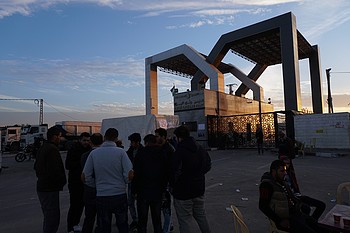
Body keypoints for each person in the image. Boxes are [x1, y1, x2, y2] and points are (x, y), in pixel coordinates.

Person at [82, 128, 133, 233]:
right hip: (119, 194)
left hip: (101, 195)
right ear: (116, 138)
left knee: (104, 226)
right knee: (123, 225)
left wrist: (95, 185)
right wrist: (124, 182)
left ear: (104, 137)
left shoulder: (94, 154)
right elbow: (129, 173)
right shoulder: (121, 153)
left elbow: (84, 176)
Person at [259, 160, 326, 233]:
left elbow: (292, 197)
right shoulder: (266, 185)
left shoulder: (282, 182)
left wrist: (298, 205)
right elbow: (262, 206)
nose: (285, 173)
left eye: (285, 171)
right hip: (286, 220)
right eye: (282, 171)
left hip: (295, 215)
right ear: (274, 171)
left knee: (321, 228)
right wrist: (279, 220)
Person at [171, 125, 211, 233]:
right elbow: (208, 165)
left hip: (183, 192)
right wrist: (198, 175)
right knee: (201, 216)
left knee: (185, 221)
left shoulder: (179, 151)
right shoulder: (200, 148)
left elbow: (174, 171)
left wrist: (173, 186)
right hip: (199, 189)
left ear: (179, 137)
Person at [131, 134, 169, 233]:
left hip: (143, 191)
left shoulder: (141, 154)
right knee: (157, 219)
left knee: (142, 220)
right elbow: (165, 173)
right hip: (157, 191)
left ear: (146, 142)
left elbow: (136, 174)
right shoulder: (162, 153)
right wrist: (164, 189)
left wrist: (134, 190)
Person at [34, 126, 67, 233]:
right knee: (52, 219)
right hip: (49, 189)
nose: (60, 139)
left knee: (49, 217)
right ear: (54, 137)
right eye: (59, 136)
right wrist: (60, 181)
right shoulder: (52, 150)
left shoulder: (44, 148)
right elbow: (55, 170)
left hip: (44, 187)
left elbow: (36, 167)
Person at [280, 155, 325, 221]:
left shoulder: (290, 173)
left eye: (288, 164)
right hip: (291, 198)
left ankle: (311, 222)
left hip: (297, 195)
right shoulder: (280, 175)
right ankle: (309, 223)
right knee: (306, 208)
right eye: (285, 164)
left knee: (321, 205)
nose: (287, 166)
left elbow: (294, 186)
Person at [66, 132, 92, 233]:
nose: (86, 142)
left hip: (84, 183)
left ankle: (76, 224)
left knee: (81, 205)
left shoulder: (89, 150)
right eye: (84, 140)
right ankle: (70, 227)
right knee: (74, 205)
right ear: (80, 140)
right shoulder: (73, 150)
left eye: (88, 140)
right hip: (75, 182)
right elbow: (68, 165)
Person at [80, 133, 104, 233]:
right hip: (103, 188)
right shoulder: (105, 155)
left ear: (91, 142)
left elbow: (84, 173)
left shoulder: (85, 155)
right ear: (102, 142)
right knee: (102, 216)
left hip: (89, 189)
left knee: (89, 216)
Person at [155, 128, 175, 233]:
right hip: (161, 182)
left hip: (166, 183)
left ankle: (166, 229)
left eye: (157, 136)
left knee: (166, 207)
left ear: (163, 137)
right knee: (164, 207)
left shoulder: (169, 149)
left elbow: (172, 168)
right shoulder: (160, 148)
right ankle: (169, 225)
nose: (156, 138)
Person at [126, 132, 144, 231]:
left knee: (139, 202)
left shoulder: (143, 152)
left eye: (132, 142)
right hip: (131, 180)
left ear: (136, 142)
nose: (131, 144)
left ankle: (140, 221)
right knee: (130, 202)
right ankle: (135, 220)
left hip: (140, 181)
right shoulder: (129, 151)